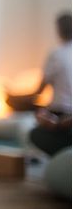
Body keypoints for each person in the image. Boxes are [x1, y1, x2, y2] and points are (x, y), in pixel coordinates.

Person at [27, 12, 72, 156]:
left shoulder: (56, 54)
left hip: (61, 114)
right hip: (65, 116)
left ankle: (62, 156)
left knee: (35, 133)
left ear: (58, 30)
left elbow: (39, 90)